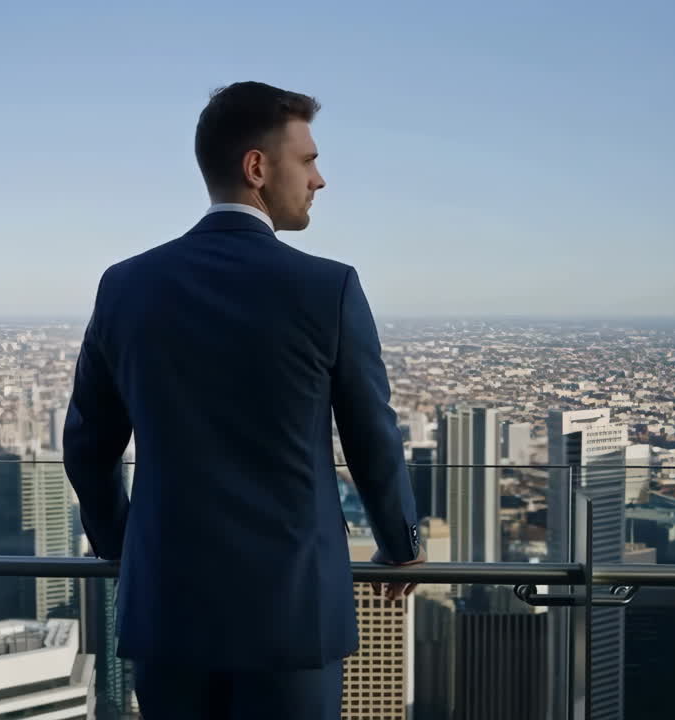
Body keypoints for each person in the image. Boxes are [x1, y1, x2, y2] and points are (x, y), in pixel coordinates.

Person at [63, 81, 426, 719]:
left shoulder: (125, 286)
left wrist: (121, 544)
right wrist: (400, 543)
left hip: (169, 604)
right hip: (294, 611)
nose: (320, 180)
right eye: (308, 160)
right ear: (257, 167)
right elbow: (372, 436)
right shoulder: (329, 289)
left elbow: (88, 441)